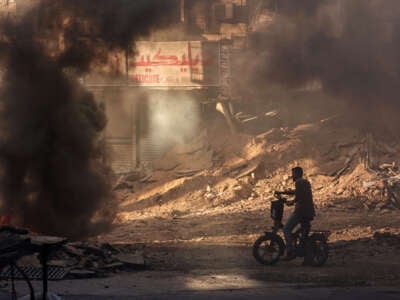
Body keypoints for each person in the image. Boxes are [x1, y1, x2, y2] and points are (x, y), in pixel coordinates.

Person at [282, 167, 315, 260]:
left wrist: (291, 202)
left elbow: (300, 195)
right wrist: (287, 192)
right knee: (301, 232)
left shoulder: (298, 182)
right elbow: (300, 192)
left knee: (286, 229)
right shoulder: (305, 182)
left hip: (301, 211)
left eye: (293, 174)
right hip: (309, 211)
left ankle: (290, 251)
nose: (292, 176)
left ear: (296, 174)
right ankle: (300, 249)